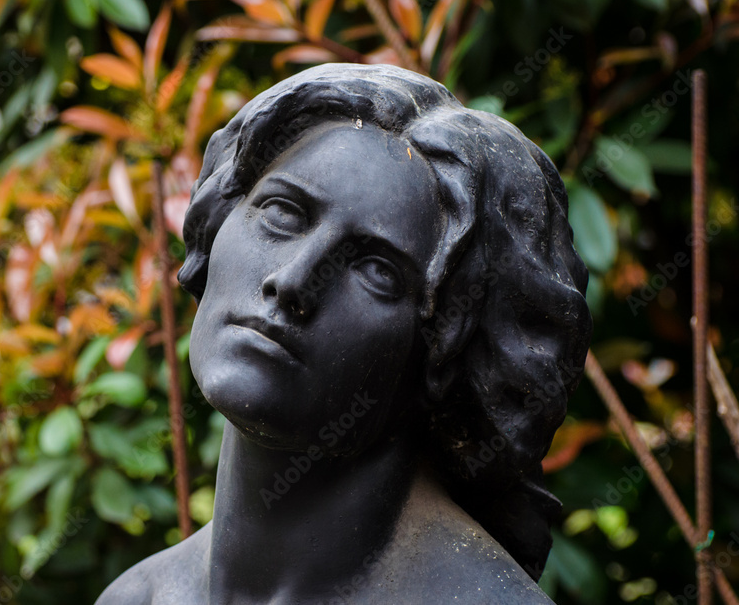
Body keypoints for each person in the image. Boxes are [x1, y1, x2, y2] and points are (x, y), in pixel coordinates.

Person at [97, 63, 592, 604]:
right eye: (282, 212)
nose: (292, 281)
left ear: (445, 351)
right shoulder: (136, 598)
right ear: (218, 218)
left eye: (378, 271)